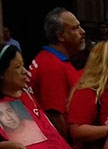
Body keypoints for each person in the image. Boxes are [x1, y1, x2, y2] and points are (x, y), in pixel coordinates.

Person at [29, 8, 85, 139]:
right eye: (75, 28)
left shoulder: (55, 61)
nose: (82, 32)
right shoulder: (52, 66)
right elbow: (54, 115)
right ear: (60, 36)